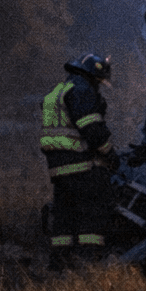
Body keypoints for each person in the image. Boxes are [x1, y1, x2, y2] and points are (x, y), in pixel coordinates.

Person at [40, 53, 117, 268]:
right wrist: (110, 154)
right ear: (91, 76)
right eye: (99, 82)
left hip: (58, 169)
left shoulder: (57, 92)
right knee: (93, 211)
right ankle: (88, 261)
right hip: (80, 164)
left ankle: (59, 265)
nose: (99, 87)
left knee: (64, 217)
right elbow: (92, 130)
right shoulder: (82, 90)